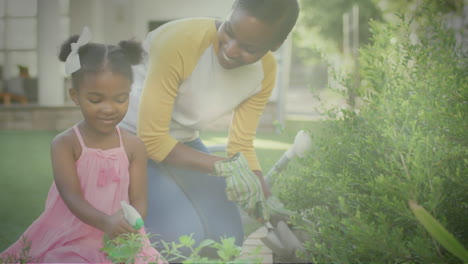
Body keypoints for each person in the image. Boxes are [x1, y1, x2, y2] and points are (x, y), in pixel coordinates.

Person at [120, 0, 299, 255]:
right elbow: (151, 140)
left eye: (248, 48)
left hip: (182, 141)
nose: (230, 49)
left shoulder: (265, 72)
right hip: (130, 140)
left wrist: (265, 200)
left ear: (275, 46)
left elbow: (241, 146)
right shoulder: (179, 42)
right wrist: (226, 167)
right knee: (181, 240)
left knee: (227, 239)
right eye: (230, 31)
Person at [0, 28, 164, 264]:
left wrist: (133, 222)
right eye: (95, 100)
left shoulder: (134, 145)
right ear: (75, 95)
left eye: (120, 98)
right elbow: (72, 198)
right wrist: (105, 222)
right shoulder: (65, 144)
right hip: (73, 234)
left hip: (121, 235)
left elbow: (139, 198)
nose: (108, 108)